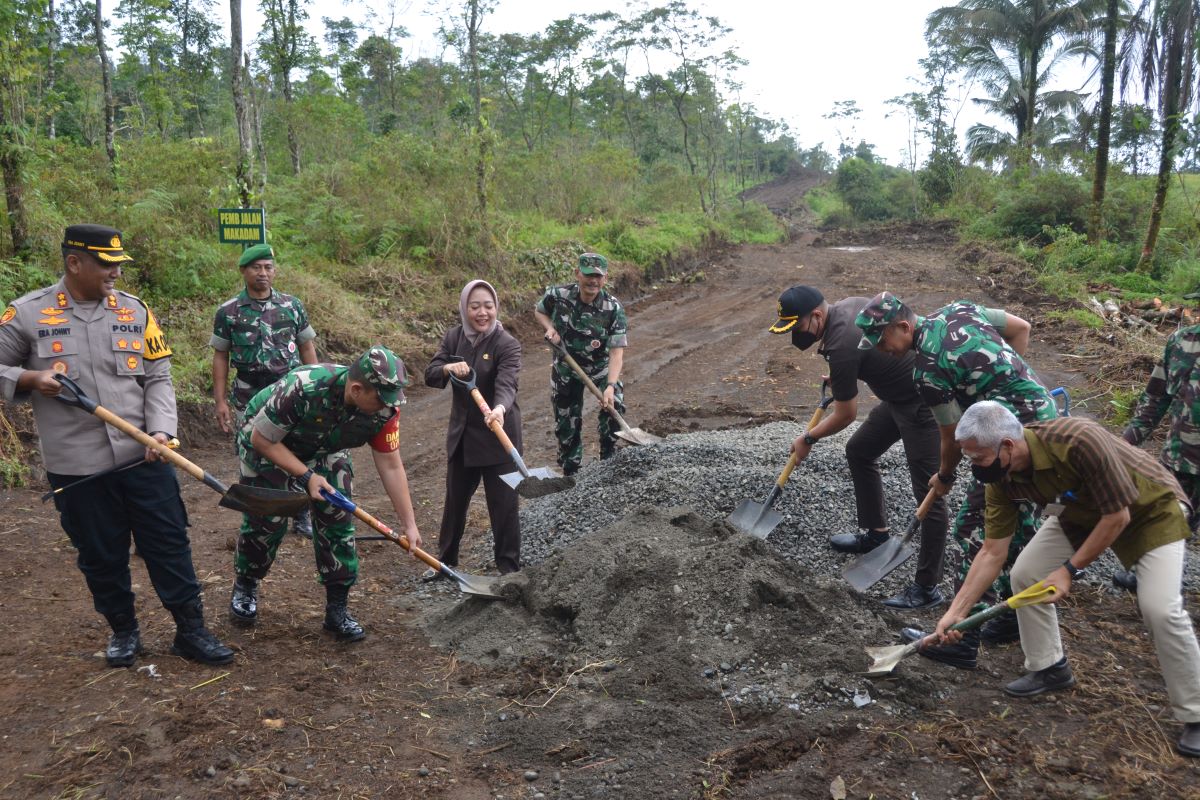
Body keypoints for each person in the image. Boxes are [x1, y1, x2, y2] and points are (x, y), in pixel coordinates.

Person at [0, 224, 233, 667]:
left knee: (168, 545)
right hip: (78, 468)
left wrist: (162, 431)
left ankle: (191, 631)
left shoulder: (135, 311)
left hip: (143, 456)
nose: (116, 275)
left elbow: (159, 377)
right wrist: (29, 379)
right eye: (108, 265)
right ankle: (124, 631)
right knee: (100, 553)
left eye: (119, 265)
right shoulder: (29, 314)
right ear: (75, 263)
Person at [931, 400, 1200, 758]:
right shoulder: (1001, 476)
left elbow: (1117, 517)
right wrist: (957, 611)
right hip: (1081, 513)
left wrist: (1069, 570)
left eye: (978, 458)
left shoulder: (1077, 439)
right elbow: (992, 552)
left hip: (1150, 509)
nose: (975, 468)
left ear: (1007, 446)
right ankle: (1049, 667)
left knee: (1160, 609)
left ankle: (1195, 712)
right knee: (1026, 573)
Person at [857, 292, 1057, 668]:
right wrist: (1010, 382)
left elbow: (949, 437)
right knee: (1020, 520)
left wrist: (945, 476)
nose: (882, 350)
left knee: (973, 528)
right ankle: (1014, 617)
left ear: (903, 326)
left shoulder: (928, 371)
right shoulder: (959, 309)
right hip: (1044, 414)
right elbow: (1021, 329)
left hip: (1009, 441)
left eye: (883, 340)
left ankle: (961, 637)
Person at [768, 286, 949, 609]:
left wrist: (809, 438)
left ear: (817, 316)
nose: (795, 335)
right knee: (860, 450)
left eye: (797, 327)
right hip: (897, 398)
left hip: (922, 403)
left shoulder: (840, 343)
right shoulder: (845, 307)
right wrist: (842, 374)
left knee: (929, 492)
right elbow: (860, 361)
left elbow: (846, 414)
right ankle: (877, 534)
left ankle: (926, 588)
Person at [228, 345, 422, 642]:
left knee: (339, 515)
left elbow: (391, 465)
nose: (388, 407)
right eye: (381, 399)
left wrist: (409, 524)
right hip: (268, 440)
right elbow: (261, 439)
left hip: (325, 448)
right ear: (357, 389)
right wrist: (306, 476)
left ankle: (337, 610)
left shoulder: (385, 411)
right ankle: (247, 582)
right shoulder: (304, 387)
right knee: (268, 518)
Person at [211, 242, 318, 538]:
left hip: (289, 392)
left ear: (275, 271)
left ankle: (300, 513)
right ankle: (257, 513)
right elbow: (220, 356)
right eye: (256, 268)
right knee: (250, 451)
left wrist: (314, 384)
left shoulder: (292, 306)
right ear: (244, 271)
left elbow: (308, 346)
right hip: (248, 395)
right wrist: (219, 400)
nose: (263, 273)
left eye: (268, 267)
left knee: (297, 449)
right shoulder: (229, 312)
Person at [424, 280, 523, 577]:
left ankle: (509, 570)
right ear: (465, 308)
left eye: (488, 306)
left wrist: (499, 409)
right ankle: (445, 562)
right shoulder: (454, 338)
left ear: (496, 308)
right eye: (475, 306)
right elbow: (430, 374)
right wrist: (446, 368)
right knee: (454, 503)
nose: (482, 313)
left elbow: (508, 383)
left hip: (498, 434)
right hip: (463, 436)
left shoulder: (507, 344)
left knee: (504, 506)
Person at [1116, 324, 1200, 592]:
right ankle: (1152, 580)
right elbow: (1155, 396)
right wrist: (1124, 443)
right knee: (1162, 520)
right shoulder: (1180, 340)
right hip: (1178, 457)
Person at [534, 252, 628, 476]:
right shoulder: (559, 295)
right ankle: (571, 469)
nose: (593, 281)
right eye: (588, 275)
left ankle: (608, 459)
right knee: (566, 419)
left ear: (605, 278)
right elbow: (539, 311)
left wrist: (610, 386)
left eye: (598, 276)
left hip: (599, 367)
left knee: (614, 402)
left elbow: (616, 353)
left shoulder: (613, 308)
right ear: (578, 274)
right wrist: (549, 328)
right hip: (565, 366)